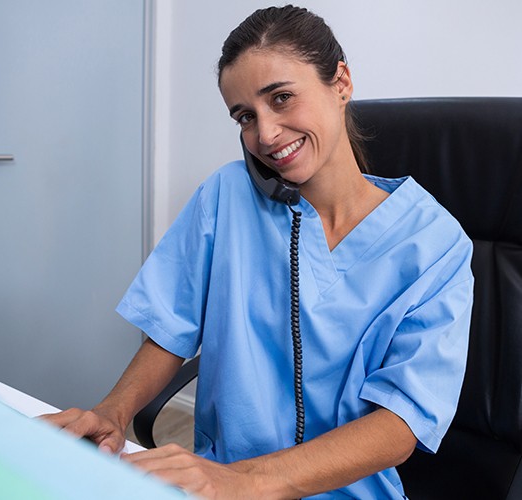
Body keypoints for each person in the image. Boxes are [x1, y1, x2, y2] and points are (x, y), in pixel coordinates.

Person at [43, 5, 474, 499]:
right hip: (213, 482)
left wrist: (244, 480)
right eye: (245, 116)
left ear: (341, 82)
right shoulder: (224, 195)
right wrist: (112, 413)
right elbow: (169, 331)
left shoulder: (434, 245)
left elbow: (401, 424)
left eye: (282, 98)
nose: (265, 135)